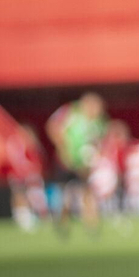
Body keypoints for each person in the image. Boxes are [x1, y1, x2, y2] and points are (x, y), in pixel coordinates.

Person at [46, 92, 107, 237]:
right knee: (66, 194)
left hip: (84, 163)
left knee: (88, 192)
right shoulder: (70, 111)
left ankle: (91, 225)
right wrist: (62, 148)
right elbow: (52, 126)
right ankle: (62, 222)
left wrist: (94, 155)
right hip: (66, 160)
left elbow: (99, 141)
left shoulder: (99, 122)